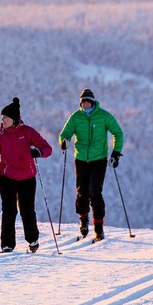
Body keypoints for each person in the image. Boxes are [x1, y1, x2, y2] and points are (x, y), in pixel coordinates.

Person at [0, 97, 53, 253]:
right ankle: (7, 244)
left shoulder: (28, 132)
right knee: (9, 210)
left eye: (5, 118)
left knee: (27, 210)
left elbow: (47, 148)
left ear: (14, 119)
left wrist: (38, 152)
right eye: (1, 118)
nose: (2, 121)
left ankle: (33, 240)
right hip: (6, 177)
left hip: (27, 177)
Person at [58, 88, 124, 241]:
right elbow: (64, 134)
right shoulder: (75, 117)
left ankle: (99, 228)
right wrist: (64, 142)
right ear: (80, 103)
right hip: (81, 159)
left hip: (99, 160)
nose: (86, 104)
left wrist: (116, 153)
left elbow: (118, 133)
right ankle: (83, 222)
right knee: (82, 192)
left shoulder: (103, 116)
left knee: (95, 192)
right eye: (83, 102)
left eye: (88, 102)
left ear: (93, 103)